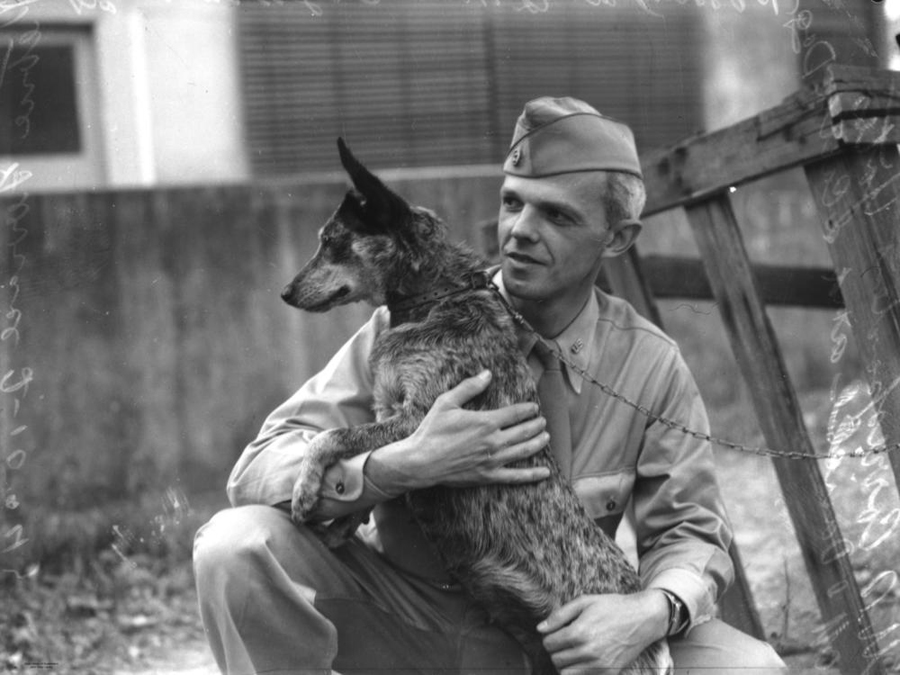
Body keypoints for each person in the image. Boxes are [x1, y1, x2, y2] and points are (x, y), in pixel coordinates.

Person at [193, 97, 787, 674]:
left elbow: (690, 531)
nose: (520, 231)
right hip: (412, 624)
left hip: (557, 636)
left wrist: (646, 613)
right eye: (512, 203)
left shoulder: (650, 364)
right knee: (235, 546)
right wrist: (399, 466)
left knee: (752, 669)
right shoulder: (403, 331)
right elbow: (255, 471)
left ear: (618, 238)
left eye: (556, 215)